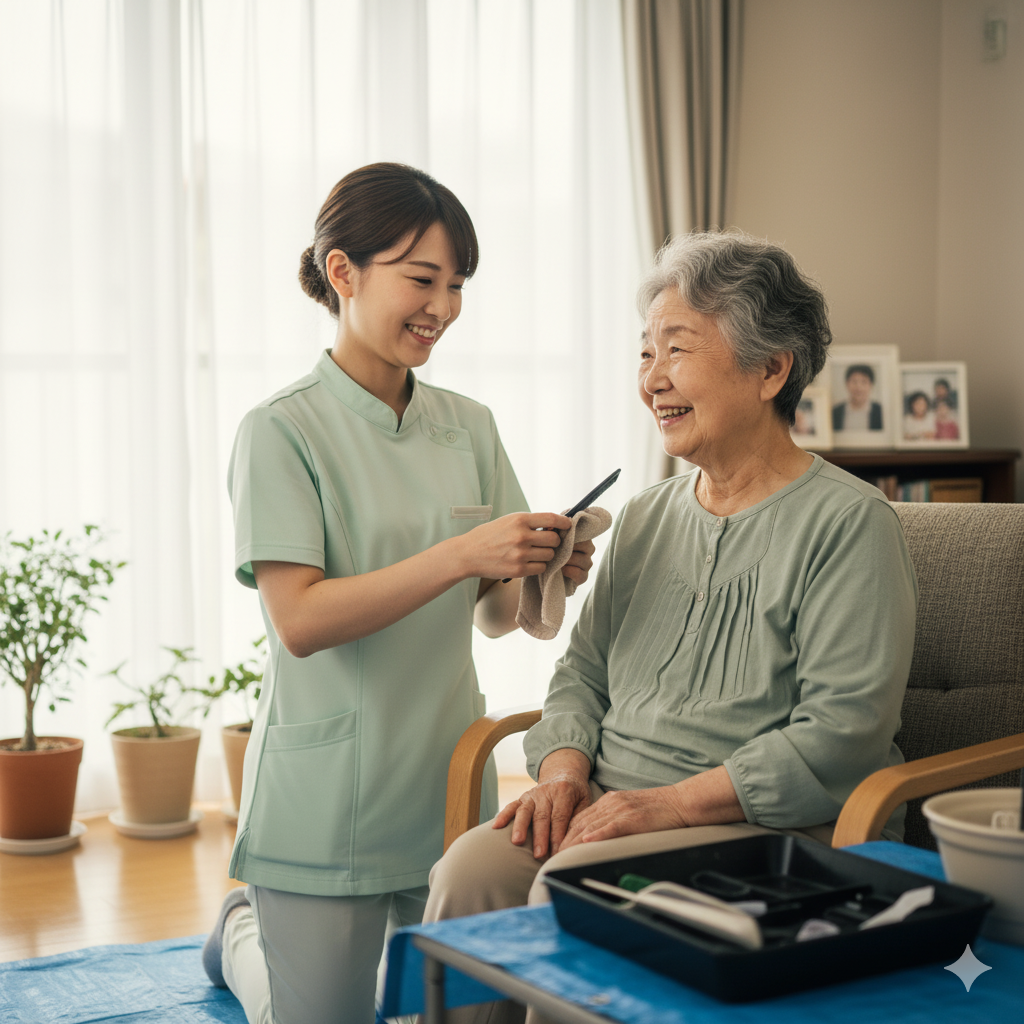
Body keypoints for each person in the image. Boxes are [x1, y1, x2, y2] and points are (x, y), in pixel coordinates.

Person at [423, 232, 918, 1024]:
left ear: (770, 370)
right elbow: (582, 674)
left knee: (572, 883)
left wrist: (669, 806)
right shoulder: (649, 515)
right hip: (605, 803)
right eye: (644, 354)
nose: (651, 379)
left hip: (758, 827)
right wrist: (562, 772)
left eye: (676, 350)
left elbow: (844, 732)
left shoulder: (849, 524)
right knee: (469, 873)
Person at [200, 163, 596, 1024]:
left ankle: (248, 937)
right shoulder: (281, 430)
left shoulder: (469, 425)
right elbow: (301, 620)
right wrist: (461, 554)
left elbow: (492, 615)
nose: (443, 307)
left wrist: (536, 569)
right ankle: (240, 937)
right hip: (326, 792)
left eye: (456, 285)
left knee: (442, 1011)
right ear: (342, 273)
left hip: (446, 781)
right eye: (421, 279)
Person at [832, 363, 884, 431]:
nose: (858, 387)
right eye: (854, 381)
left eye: (864, 382)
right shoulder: (835, 412)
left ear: (871, 385)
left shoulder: (880, 412)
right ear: (847, 384)